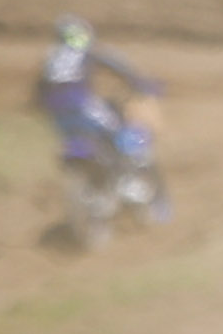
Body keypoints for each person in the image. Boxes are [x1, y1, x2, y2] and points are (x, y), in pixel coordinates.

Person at [33, 17, 168, 219]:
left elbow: (38, 90)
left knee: (85, 137)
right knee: (118, 130)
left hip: (57, 114)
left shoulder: (51, 56)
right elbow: (118, 65)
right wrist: (141, 83)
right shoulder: (87, 52)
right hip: (81, 104)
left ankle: (108, 182)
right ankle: (127, 180)